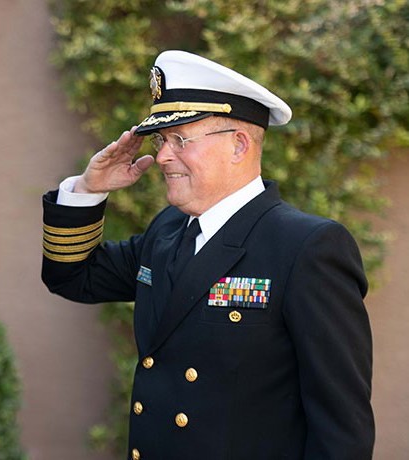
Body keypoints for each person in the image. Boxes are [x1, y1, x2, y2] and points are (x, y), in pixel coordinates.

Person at [41, 50, 374, 459]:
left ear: (238, 145)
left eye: (180, 139)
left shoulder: (306, 247)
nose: (163, 156)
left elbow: (341, 430)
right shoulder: (168, 230)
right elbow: (73, 276)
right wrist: (88, 191)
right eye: (163, 140)